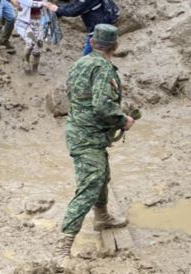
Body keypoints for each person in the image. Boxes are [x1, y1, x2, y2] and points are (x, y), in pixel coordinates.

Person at [52, 24, 135, 265]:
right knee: (90, 184)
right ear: (115, 46)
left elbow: (75, 97)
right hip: (88, 137)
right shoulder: (102, 68)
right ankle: (62, 249)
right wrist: (123, 119)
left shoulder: (79, 64)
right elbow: (101, 105)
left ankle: (102, 217)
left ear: (93, 42)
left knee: (102, 176)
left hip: (81, 132)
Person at [46, 0, 114, 56]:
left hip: (97, 33)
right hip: (100, 29)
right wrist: (58, 9)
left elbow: (72, 11)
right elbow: (73, 4)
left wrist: (56, 9)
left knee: (87, 57)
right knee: (96, 56)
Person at [15, 0, 67, 74]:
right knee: (30, 42)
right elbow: (31, 4)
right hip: (25, 23)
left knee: (38, 47)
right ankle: (25, 60)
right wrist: (44, 3)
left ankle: (35, 69)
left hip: (39, 23)